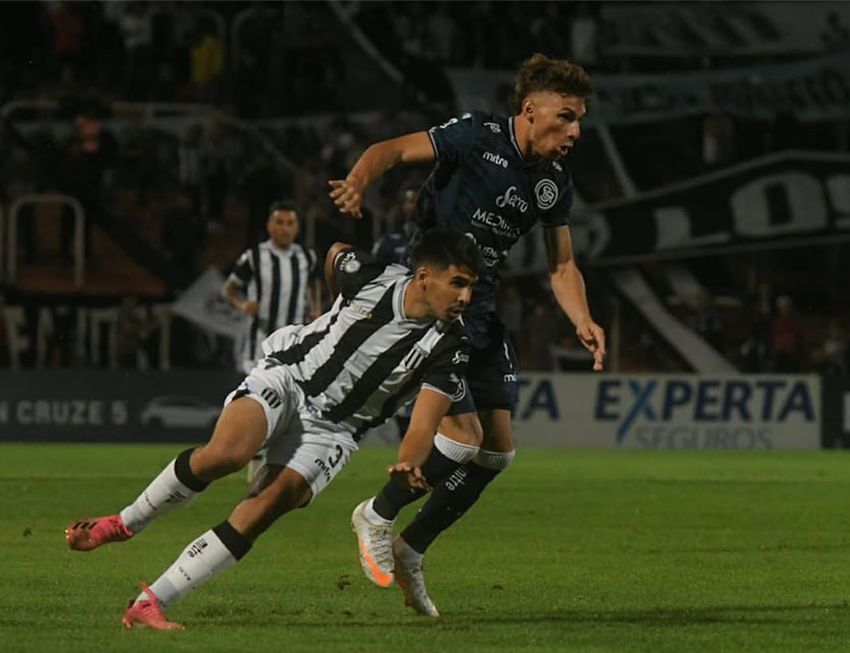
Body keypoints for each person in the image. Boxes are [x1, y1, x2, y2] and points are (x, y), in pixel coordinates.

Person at [64, 229, 485, 630]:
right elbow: (336, 252)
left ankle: (149, 603)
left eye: (471, 287)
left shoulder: (452, 344)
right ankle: (124, 523)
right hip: (289, 375)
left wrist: (407, 462)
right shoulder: (370, 275)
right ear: (424, 277)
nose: (465, 297)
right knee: (228, 453)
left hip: (335, 429)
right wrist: (331, 311)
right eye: (458, 284)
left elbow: (425, 420)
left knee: (262, 509)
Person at [328, 53, 605, 617]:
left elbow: (561, 266)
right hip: (435, 307)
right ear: (531, 110)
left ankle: (410, 549)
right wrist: (357, 183)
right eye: (566, 117)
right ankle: (378, 514)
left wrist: (581, 317)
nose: (575, 131)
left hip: (482, 309)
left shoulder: (552, 182)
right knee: (459, 439)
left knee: (496, 452)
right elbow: (391, 151)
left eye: (580, 121)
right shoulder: (475, 135)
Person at [223, 201, 322, 481]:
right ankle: (255, 462)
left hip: (294, 345)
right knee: (257, 402)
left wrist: (315, 307)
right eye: (279, 222)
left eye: (290, 223)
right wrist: (242, 304)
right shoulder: (254, 256)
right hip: (260, 344)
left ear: (297, 228)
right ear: (269, 226)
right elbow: (229, 289)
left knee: (291, 405)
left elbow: (315, 283)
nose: (284, 229)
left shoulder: (306, 257)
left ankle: (277, 463)